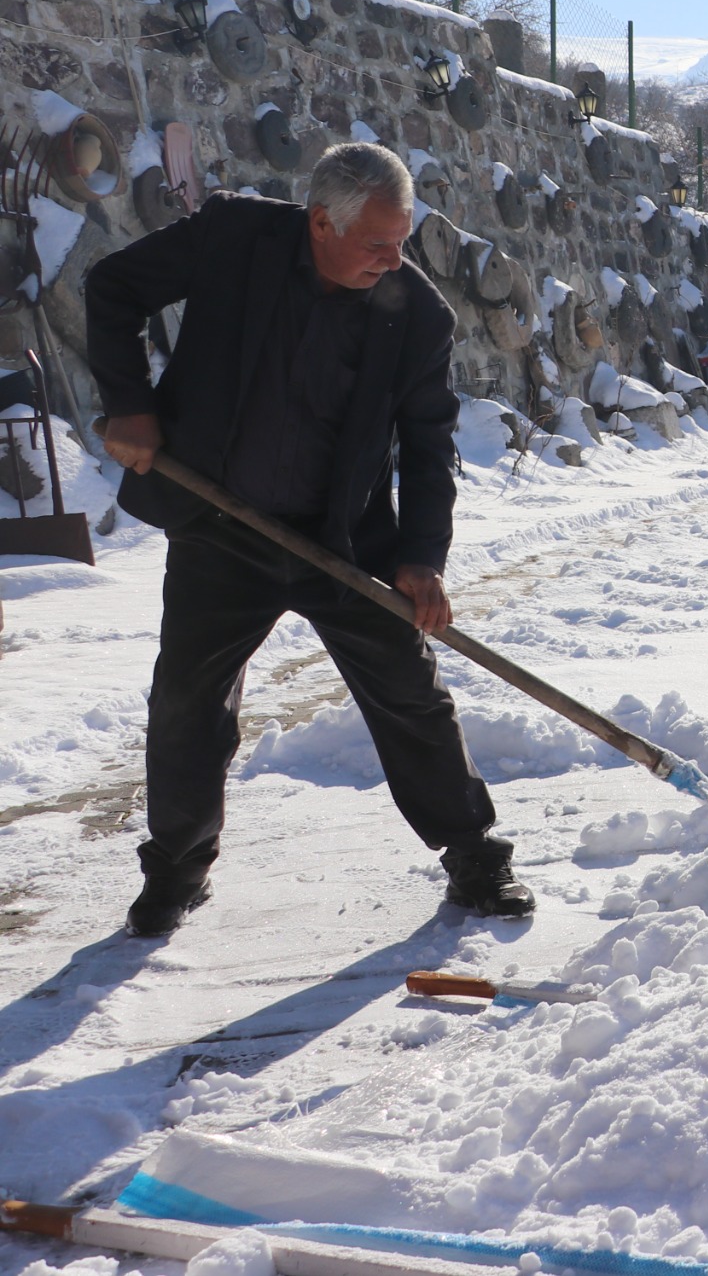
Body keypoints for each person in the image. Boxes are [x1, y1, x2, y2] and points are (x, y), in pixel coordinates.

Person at [86, 142, 533, 936]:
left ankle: (473, 853)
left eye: (402, 240)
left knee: (409, 692)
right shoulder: (234, 237)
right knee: (188, 700)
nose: (394, 260)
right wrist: (130, 402)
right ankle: (178, 868)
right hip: (222, 524)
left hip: (344, 539)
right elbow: (113, 286)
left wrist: (421, 559)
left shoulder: (419, 314)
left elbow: (428, 446)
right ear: (321, 223)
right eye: (377, 243)